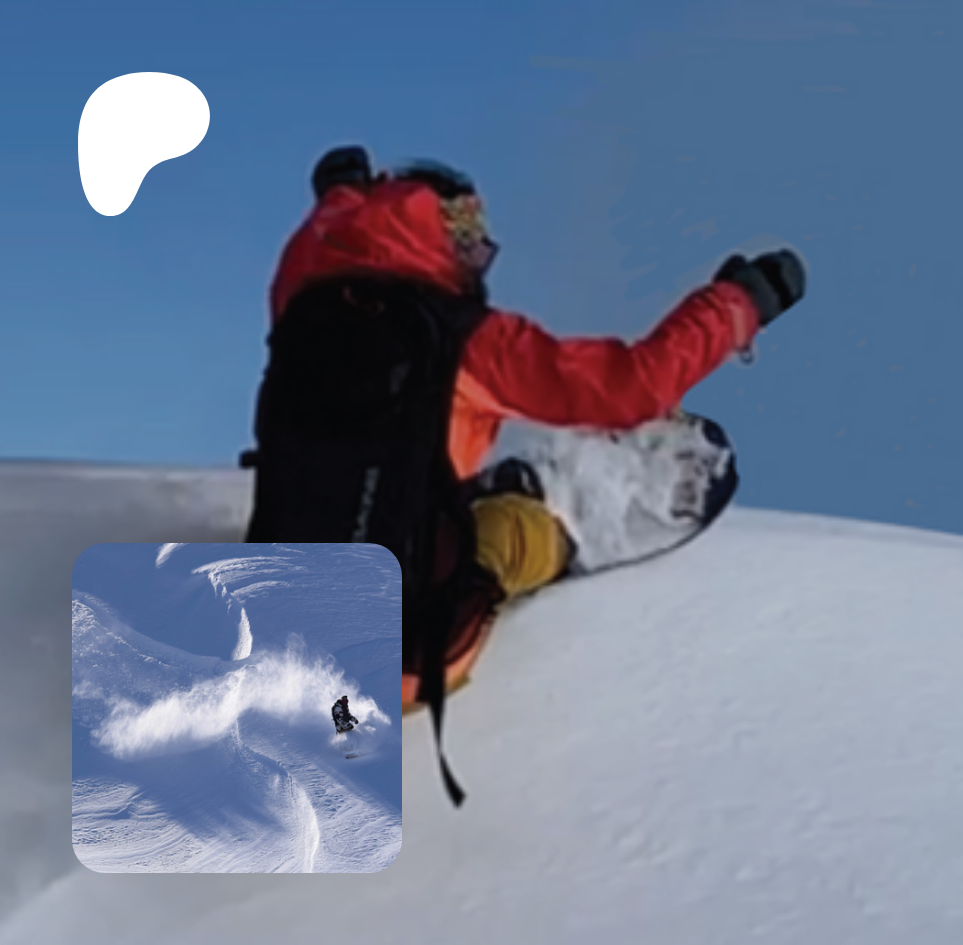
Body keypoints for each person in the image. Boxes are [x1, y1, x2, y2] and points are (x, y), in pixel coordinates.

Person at [244, 145, 806, 804]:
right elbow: (631, 386)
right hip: (396, 663)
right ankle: (566, 522)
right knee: (514, 532)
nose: (479, 260)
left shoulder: (300, 302)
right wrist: (738, 304)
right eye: (473, 243)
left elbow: (327, 242)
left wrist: (339, 196)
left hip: (279, 639)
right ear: (450, 234)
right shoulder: (465, 338)